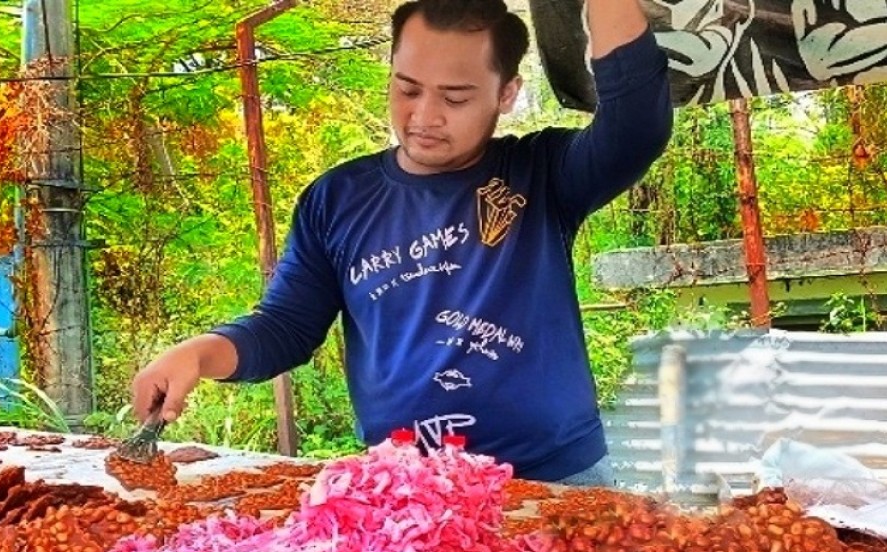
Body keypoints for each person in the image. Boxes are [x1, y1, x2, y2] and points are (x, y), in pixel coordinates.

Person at [130, 0, 673, 486]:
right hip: (404, 493)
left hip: (557, 481)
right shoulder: (336, 199)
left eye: (455, 98)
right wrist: (197, 355)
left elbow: (635, 127)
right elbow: (287, 327)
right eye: (407, 88)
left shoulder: (543, 174)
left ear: (507, 93)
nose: (424, 117)